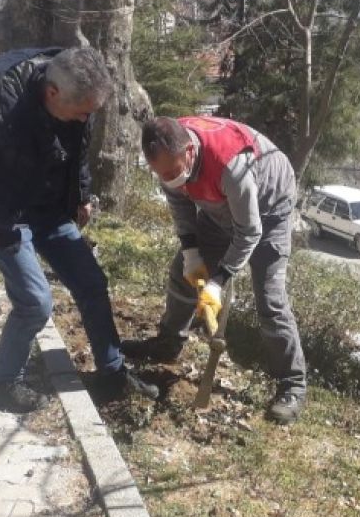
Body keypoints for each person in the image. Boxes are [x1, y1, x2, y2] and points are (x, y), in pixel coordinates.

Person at [0, 47, 158, 412]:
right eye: (82, 112)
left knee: (92, 283)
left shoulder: (79, 100)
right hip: (2, 214)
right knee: (35, 303)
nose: (86, 118)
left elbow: (78, 152)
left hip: (49, 209)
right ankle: (4, 385)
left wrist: (81, 194)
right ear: (52, 93)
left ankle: (113, 374)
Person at [122, 116, 307, 424]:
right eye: (160, 173)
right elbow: (180, 205)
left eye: (172, 171)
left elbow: (249, 232)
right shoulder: (167, 152)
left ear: (190, 151)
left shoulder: (231, 166)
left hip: (268, 206)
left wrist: (218, 281)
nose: (167, 178)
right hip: (218, 204)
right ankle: (168, 343)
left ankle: (293, 384)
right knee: (182, 274)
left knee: (270, 300)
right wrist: (192, 254)